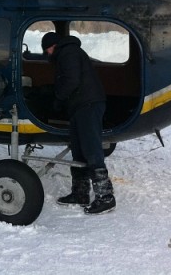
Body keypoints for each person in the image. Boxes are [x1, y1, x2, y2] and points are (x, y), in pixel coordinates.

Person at [41, 31, 116, 215]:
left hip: (88, 105)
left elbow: (71, 80)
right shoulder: (67, 53)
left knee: (91, 149)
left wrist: (57, 97)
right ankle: (80, 193)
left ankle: (106, 197)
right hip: (80, 106)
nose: (47, 54)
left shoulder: (69, 53)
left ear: (52, 46)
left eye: (46, 50)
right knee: (79, 150)